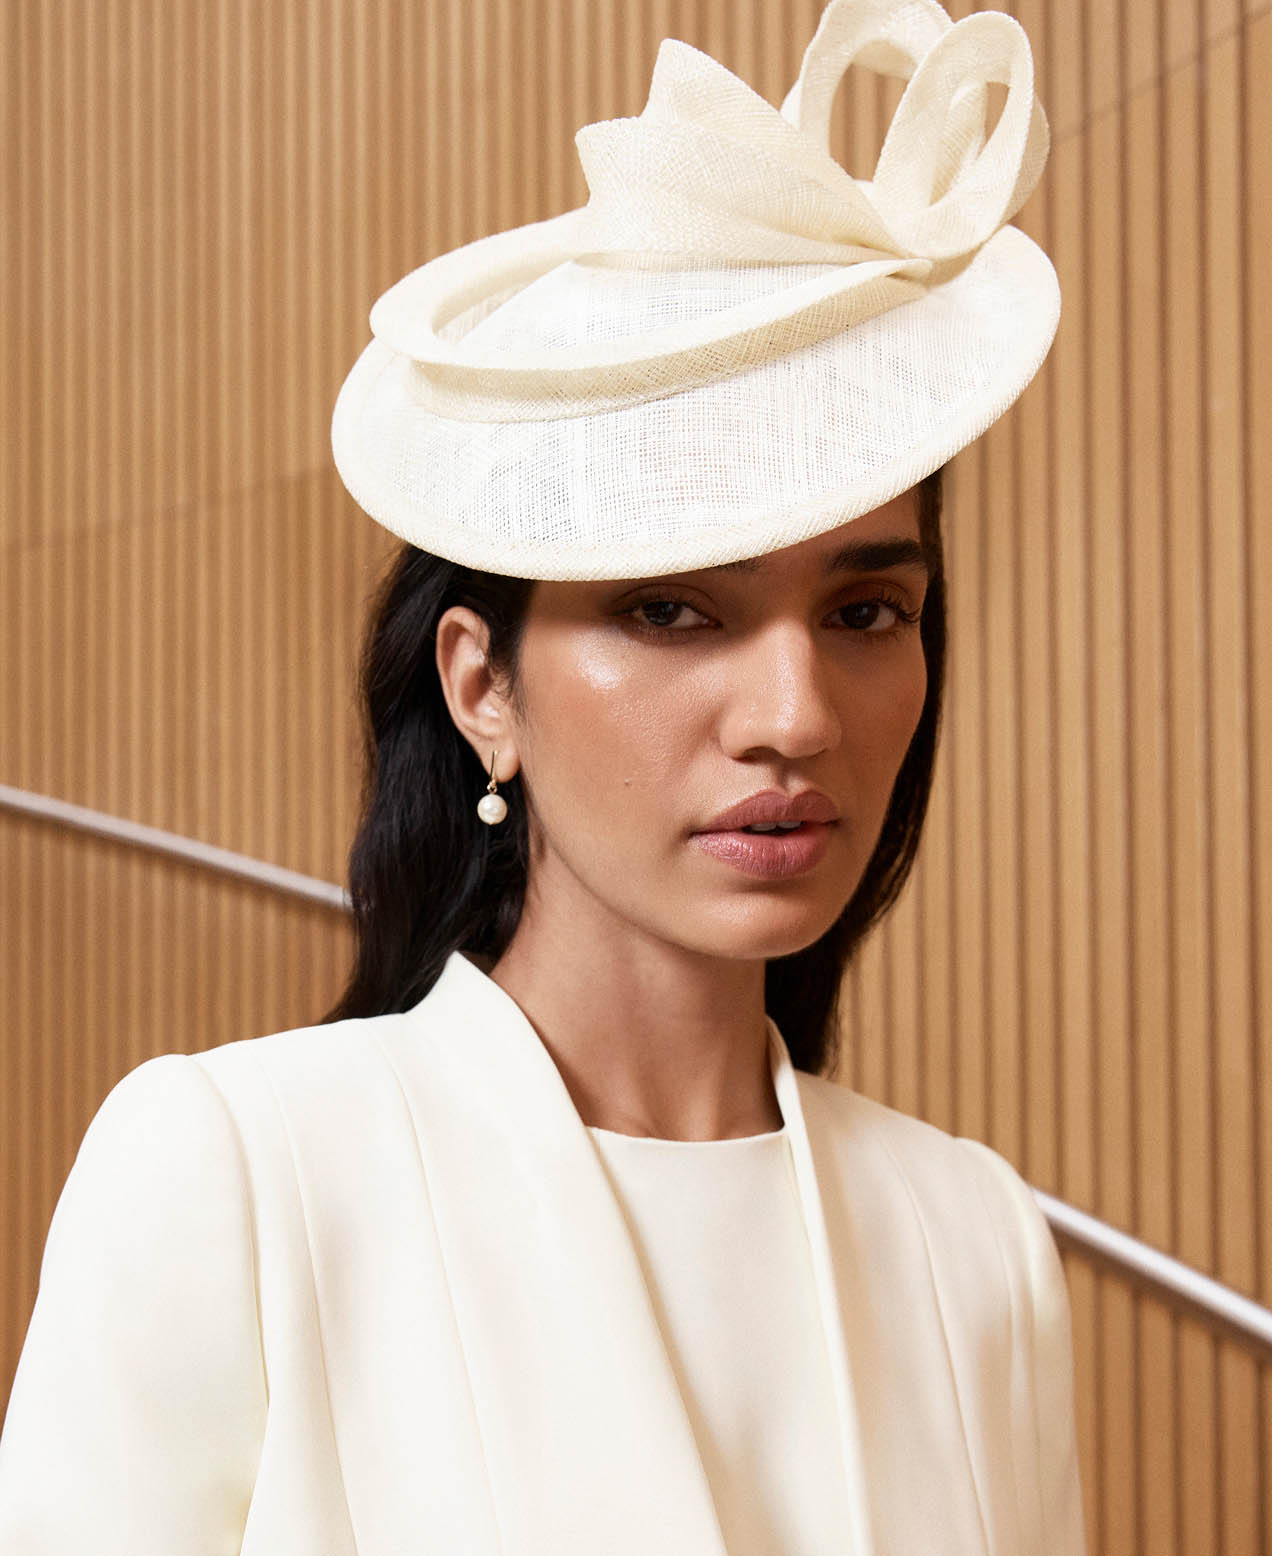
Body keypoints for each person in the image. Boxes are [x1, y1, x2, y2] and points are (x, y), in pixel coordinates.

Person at [0, 0, 1085, 1551]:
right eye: (671, 608)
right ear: (481, 685)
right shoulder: (243, 1177)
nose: (795, 712)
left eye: (865, 610)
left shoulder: (972, 1240)